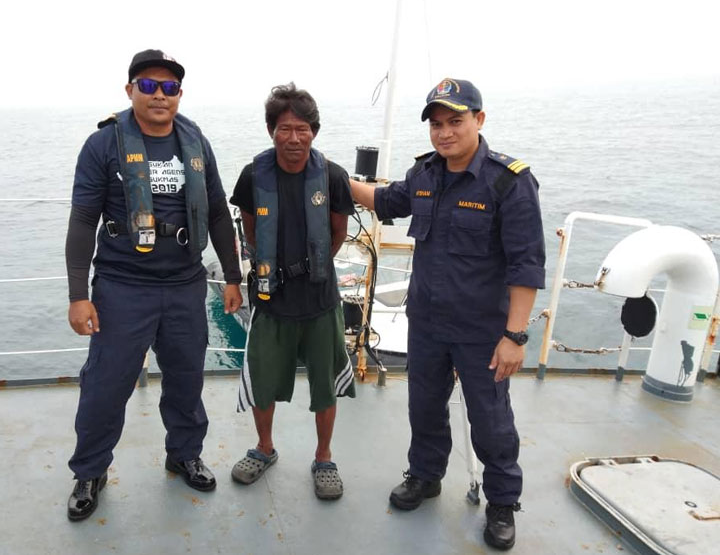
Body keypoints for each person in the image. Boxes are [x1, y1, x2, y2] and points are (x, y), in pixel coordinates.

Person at [349, 78, 545, 550]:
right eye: (436, 124)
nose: (444, 132)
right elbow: (386, 200)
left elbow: (527, 265)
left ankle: (502, 501)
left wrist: (514, 336)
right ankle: (425, 475)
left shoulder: (508, 182)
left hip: (483, 331)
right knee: (425, 407)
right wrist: (330, 177)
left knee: (491, 420)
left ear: (479, 120)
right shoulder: (425, 174)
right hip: (429, 323)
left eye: (455, 121)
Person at [64, 49, 243, 521]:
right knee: (106, 384)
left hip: (185, 283)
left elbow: (220, 212)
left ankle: (183, 453)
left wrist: (232, 276)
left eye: (169, 88)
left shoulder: (196, 141)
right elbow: (83, 220)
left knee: (186, 379)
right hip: (123, 286)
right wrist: (78, 295)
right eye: (148, 86)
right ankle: (90, 471)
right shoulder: (103, 145)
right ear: (130, 91)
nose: (159, 95)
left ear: (179, 95)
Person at [229, 83, 356, 500]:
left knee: (325, 383)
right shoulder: (253, 176)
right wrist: (269, 267)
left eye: (302, 129)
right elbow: (249, 226)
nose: (294, 138)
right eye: (285, 128)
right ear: (271, 131)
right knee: (264, 380)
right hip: (270, 299)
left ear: (314, 132)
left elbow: (338, 231)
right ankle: (264, 448)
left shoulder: (333, 177)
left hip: (320, 300)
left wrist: (313, 269)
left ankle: (324, 457)